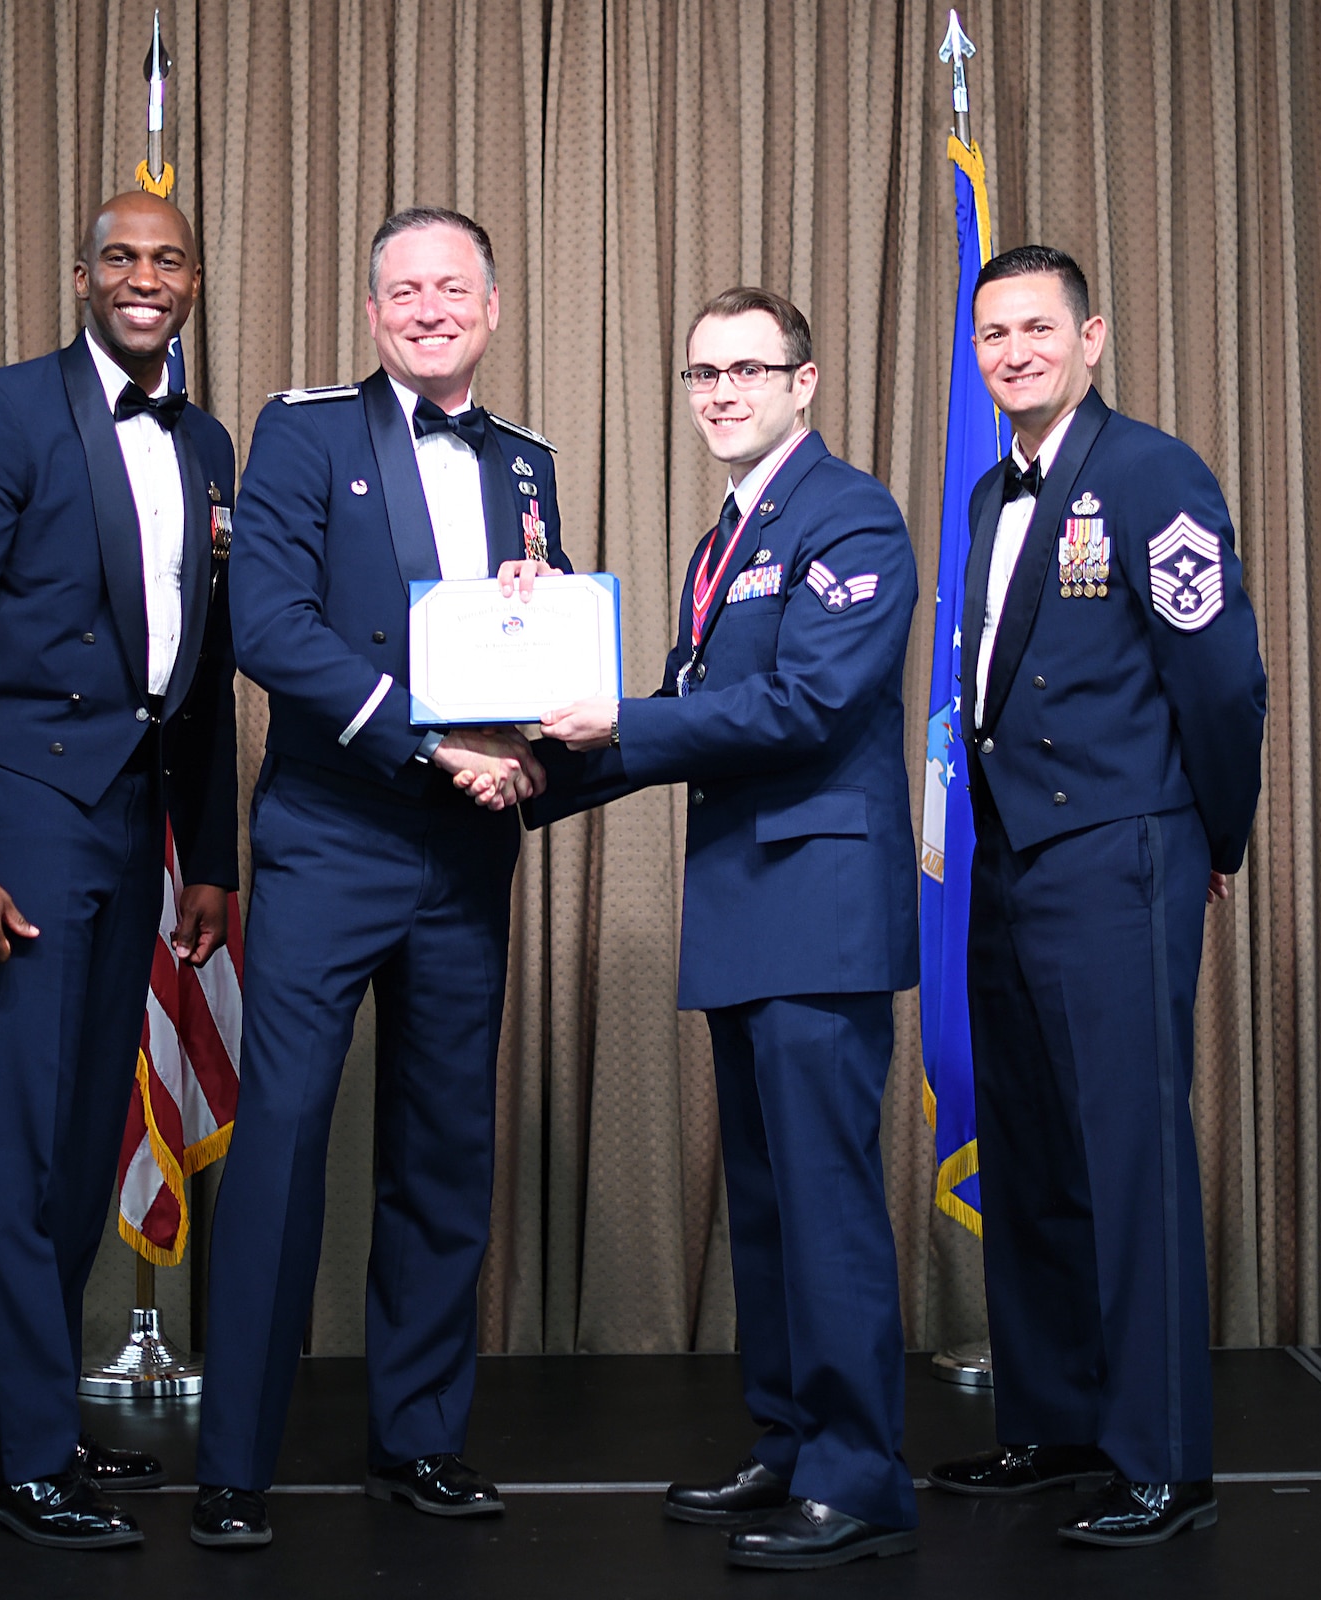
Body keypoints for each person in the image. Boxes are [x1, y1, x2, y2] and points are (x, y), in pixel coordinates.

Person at [526, 287, 922, 1572]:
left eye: (747, 369)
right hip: (749, 909)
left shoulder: (848, 513)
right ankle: (791, 1440)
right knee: (764, 1205)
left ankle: (858, 1479)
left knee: (826, 1204)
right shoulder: (723, 537)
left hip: (817, 911)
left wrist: (609, 728)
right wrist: (523, 767)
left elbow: (804, 703)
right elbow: (688, 704)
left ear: (805, 382)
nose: (721, 393)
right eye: (701, 373)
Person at [190, 207, 565, 1551]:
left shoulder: (527, 462)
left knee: (444, 1148)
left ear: (492, 306)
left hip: (467, 849)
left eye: (450, 288)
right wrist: (428, 734)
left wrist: (541, 640)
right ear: (371, 313)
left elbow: (541, 623)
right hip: (334, 834)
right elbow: (266, 625)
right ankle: (232, 1459)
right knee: (283, 1139)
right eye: (402, 290)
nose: (426, 308)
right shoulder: (302, 430)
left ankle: (420, 1438)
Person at [0, 192, 238, 1550]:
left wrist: (209, 856)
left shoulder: (205, 440)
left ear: (193, 280)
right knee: (19, 1142)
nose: (144, 278)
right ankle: (27, 1457)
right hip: (19, 823)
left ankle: (5, 1411)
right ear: (80, 273)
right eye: (120, 258)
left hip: (131, 826)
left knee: (88, 1137)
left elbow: (202, 675)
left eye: (168, 259)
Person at [926, 245, 1267, 1546]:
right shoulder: (983, 498)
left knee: (1129, 1154)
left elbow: (1222, 681)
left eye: (1036, 329)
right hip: (1012, 866)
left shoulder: (1151, 473)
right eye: (992, 334)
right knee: (1033, 1154)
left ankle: (1165, 1455)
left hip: (1124, 855)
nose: (1013, 351)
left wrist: (1212, 834)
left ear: (1092, 338)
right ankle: (1058, 1422)